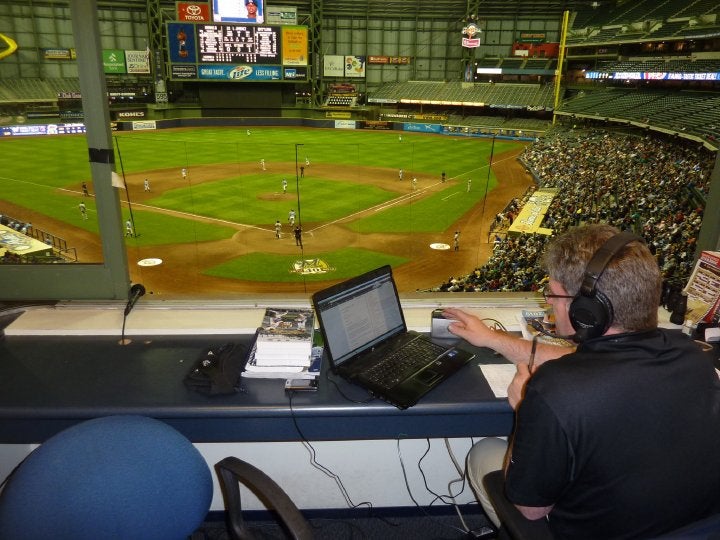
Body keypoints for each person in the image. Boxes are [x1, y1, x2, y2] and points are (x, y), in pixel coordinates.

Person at [444, 224, 720, 539]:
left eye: (554, 295)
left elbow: (529, 509)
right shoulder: (694, 356)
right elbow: (598, 365)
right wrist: (494, 339)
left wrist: (523, 408)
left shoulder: (555, 391)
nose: (550, 304)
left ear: (588, 311)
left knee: (484, 453)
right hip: (690, 528)